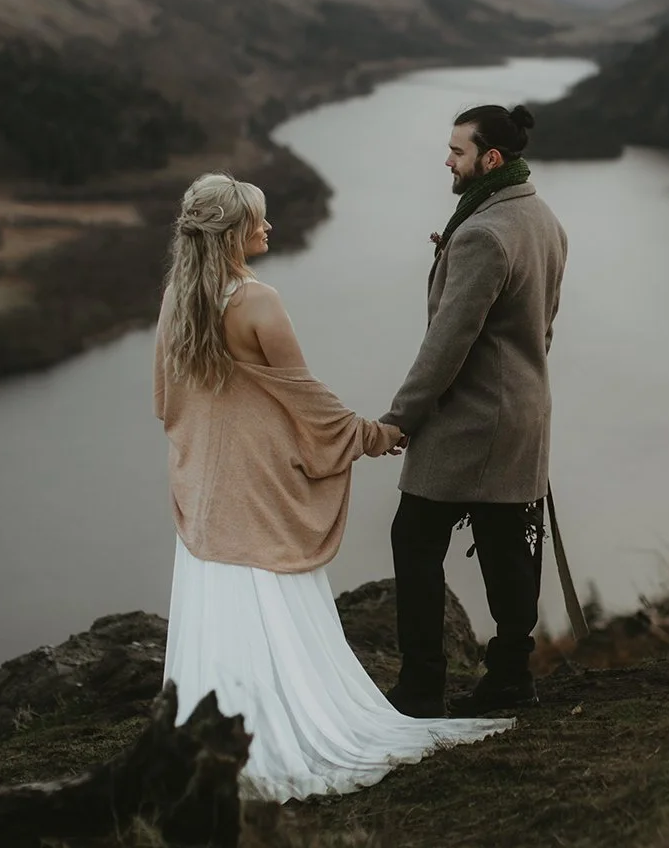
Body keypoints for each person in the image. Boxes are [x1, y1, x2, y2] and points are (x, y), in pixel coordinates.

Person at [153, 172, 512, 803]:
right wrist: (374, 435)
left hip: (207, 492)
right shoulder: (257, 302)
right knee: (272, 602)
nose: (269, 228)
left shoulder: (180, 299)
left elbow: (169, 404)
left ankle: (212, 734)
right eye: (258, 220)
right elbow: (308, 402)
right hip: (257, 491)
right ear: (234, 231)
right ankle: (288, 725)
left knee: (221, 604)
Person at [381, 104, 568, 718]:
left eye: (458, 151)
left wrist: (401, 417)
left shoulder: (485, 233)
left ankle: (421, 686)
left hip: (471, 421)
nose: (447, 159)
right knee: (512, 548)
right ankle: (512, 676)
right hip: (524, 412)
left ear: (491, 159)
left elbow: (447, 344)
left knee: (413, 540)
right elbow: (542, 325)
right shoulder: (540, 218)